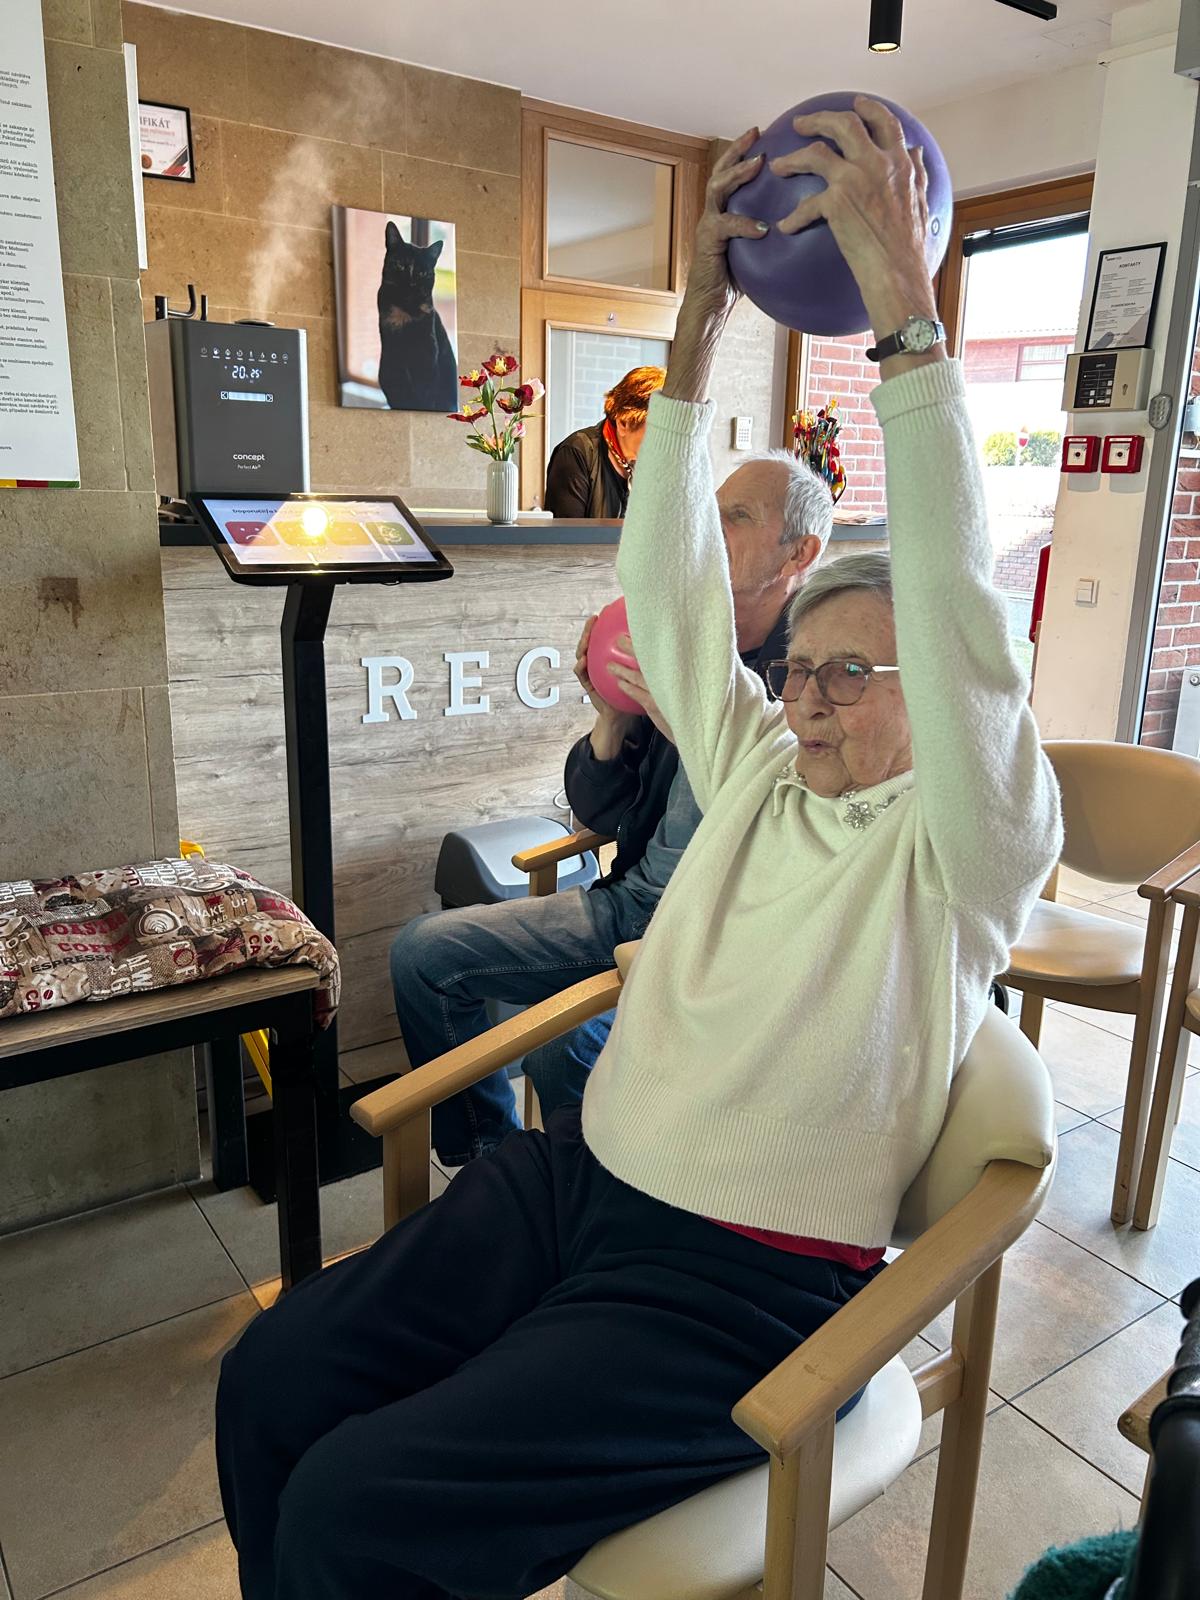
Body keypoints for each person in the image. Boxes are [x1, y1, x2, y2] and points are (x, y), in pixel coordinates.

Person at [216, 99, 1062, 1600]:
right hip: (578, 1182)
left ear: (935, 697)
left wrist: (907, 323)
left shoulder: (964, 847)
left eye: (856, 672)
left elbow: (963, 618)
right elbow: (670, 598)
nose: (812, 696)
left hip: (742, 1278)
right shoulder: (757, 768)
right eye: (802, 667)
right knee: (270, 1377)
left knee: (356, 1510)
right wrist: (692, 337)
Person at [391, 445, 832, 1165]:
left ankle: (600, 1189)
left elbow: (803, 838)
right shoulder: (682, 641)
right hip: (627, 908)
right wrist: (612, 718)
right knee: (422, 953)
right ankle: (489, 1156)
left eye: (738, 516)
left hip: (719, 939)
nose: (708, 530)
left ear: (798, 553)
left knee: (563, 1048)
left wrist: (701, 735)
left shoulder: (814, 680)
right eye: (709, 513)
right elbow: (599, 814)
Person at [544, 365, 666, 517]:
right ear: (623, 423)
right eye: (659, 431)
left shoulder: (660, 466)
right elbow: (568, 531)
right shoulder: (577, 453)